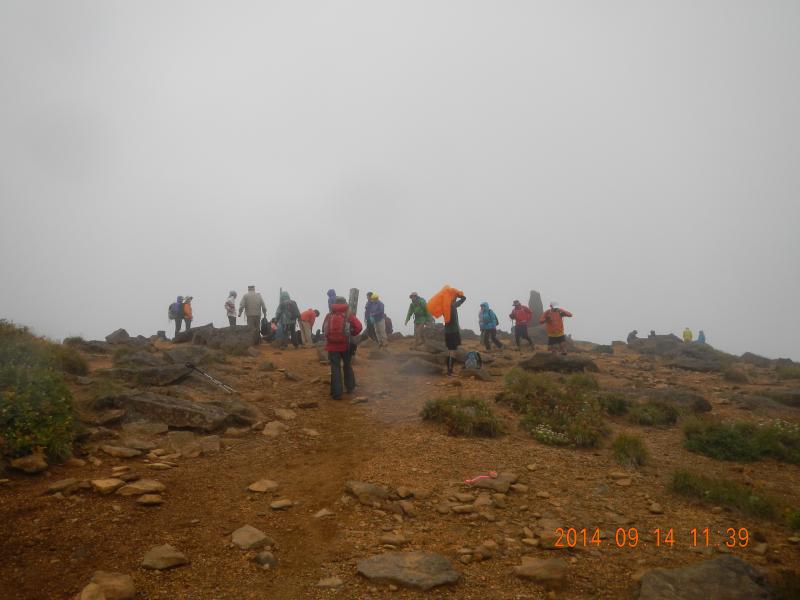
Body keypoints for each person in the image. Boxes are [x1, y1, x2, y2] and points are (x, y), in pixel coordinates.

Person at [323, 296, 363, 400]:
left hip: (332, 346)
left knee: (335, 368)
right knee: (347, 365)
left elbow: (324, 328)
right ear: (345, 303)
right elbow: (359, 327)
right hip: (345, 345)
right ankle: (350, 388)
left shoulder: (329, 315)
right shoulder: (348, 315)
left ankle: (336, 393)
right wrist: (352, 333)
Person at [427, 285, 466, 376]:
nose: (456, 298)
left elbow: (463, 299)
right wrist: (459, 295)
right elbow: (463, 298)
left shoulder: (447, 306)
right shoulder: (450, 307)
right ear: (452, 298)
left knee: (451, 351)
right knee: (452, 352)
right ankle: (449, 371)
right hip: (453, 331)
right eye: (454, 297)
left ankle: (450, 370)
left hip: (448, 332)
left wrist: (458, 295)